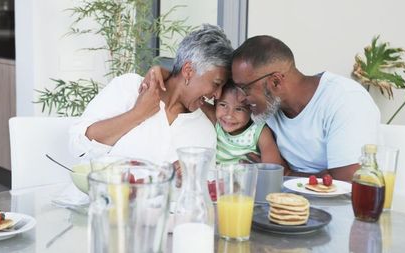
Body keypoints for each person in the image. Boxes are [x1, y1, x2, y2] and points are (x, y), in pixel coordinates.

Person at [146, 35, 380, 182]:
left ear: (276, 82)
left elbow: (346, 184)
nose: (242, 100)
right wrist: (162, 71)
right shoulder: (267, 108)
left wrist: (283, 174)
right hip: (279, 207)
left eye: (244, 89)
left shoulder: (344, 102)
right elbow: (199, 83)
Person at [69, 24, 233, 166]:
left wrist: (188, 177)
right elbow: (78, 147)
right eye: (216, 84)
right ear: (188, 71)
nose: (217, 95)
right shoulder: (129, 87)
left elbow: (204, 189)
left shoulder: (204, 130)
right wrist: (137, 114)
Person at [208, 81, 287, 167]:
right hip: (219, 179)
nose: (229, 115)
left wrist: (264, 170)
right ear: (215, 104)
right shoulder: (217, 121)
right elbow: (194, 99)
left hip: (249, 179)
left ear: (252, 110)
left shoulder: (258, 130)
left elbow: (272, 167)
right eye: (223, 105)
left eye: (239, 109)